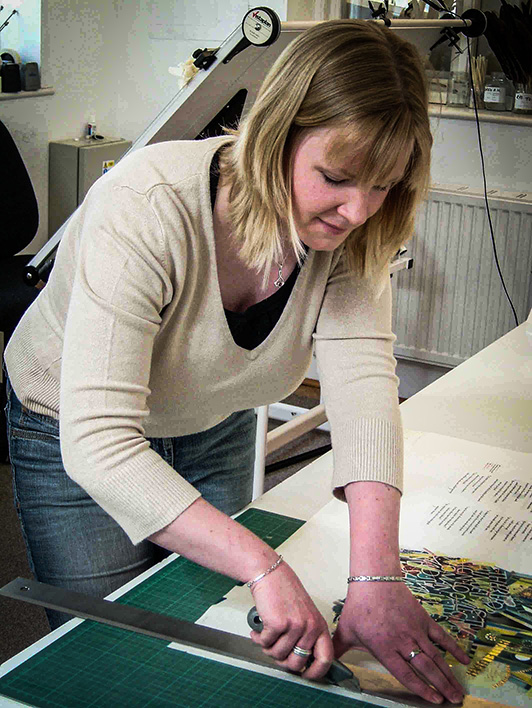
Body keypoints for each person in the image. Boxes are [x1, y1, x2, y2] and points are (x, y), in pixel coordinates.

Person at [4, 19, 469, 704]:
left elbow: (365, 391)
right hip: (70, 432)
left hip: (211, 420)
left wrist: (376, 581)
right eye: (336, 177)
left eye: (384, 188)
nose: (357, 211)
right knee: (114, 658)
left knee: (216, 637)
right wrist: (263, 565)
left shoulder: (352, 231)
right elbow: (100, 442)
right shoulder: (145, 205)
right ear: (274, 136)